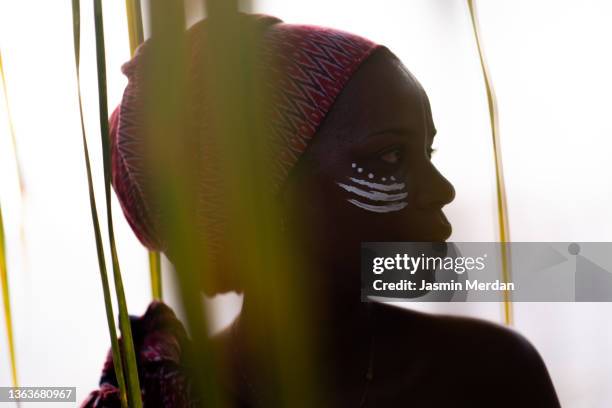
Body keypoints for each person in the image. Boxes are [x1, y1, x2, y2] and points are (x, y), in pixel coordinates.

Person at [83, 14, 560, 407]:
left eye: (427, 155)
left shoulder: (489, 375)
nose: (444, 190)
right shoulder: (159, 395)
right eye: (390, 158)